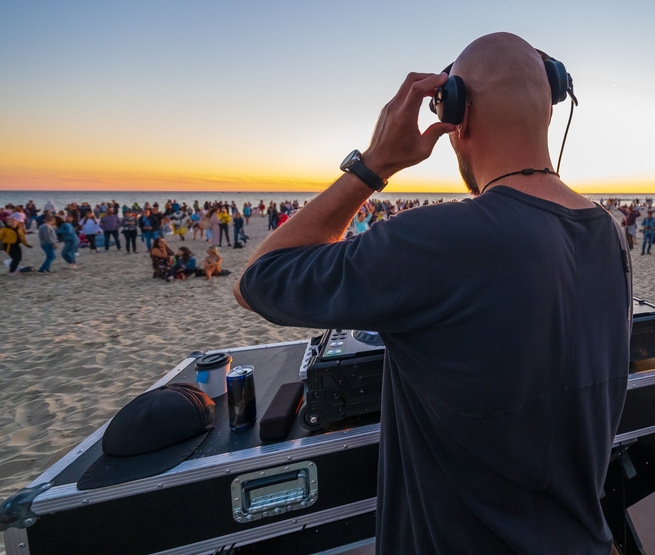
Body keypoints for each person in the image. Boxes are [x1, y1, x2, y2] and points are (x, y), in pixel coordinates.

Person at [235, 33, 630, 555]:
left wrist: (374, 163)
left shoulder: (436, 239)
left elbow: (259, 279)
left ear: (455, 115)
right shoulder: (610, 233)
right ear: (551, 107)